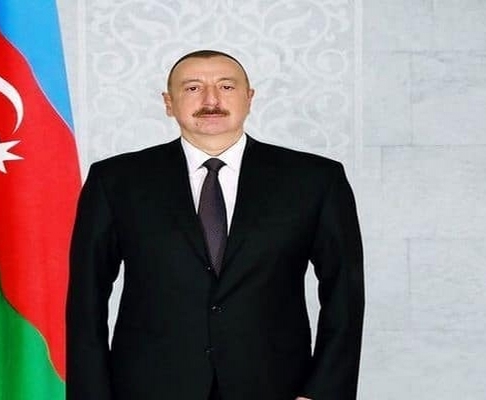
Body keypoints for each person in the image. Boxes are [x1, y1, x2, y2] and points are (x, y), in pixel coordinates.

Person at [66, 49, 364, 400]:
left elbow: (344, 295)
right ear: (168, 102)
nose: (211, 100)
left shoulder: (315, 180)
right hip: (148, 386)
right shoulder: (115, 180)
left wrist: (323, 392)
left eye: (226, 86)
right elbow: (86, 298)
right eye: (193, 88)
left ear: (249, 98)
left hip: (276, 385)